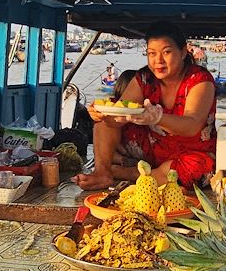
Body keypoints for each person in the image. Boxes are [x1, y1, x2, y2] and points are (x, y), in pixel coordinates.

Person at [73, 21, 217, 190]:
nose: (158, 60)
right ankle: (103, 173)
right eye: (152, 53)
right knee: (105, 119)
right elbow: (116, 118)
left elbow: (192, 125)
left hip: (190, 152)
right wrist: (102, 114)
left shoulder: (199, 79)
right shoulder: (144, 78)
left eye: (167, 52)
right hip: (150, 149)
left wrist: (158, 118)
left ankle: (128, 173)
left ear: (183, 52)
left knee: (190, 170)